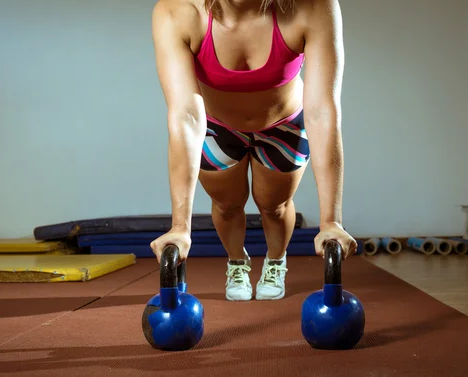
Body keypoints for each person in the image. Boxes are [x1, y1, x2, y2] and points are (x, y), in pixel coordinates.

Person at [149, 0, 357, 301]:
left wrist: (331, 221)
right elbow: (186, 116)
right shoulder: (177, 12)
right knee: (227, 205)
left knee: (275, 206)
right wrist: (180, 226)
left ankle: (275, 261)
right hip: (217, 127)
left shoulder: (313, 6)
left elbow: (322, 112)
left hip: (283, 126)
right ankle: (236, 262)